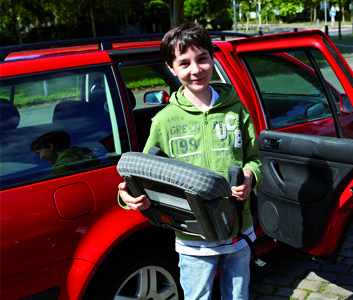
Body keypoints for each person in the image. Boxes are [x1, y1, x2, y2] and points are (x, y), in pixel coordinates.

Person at [118, 22, 263, 300]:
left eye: (202, 59)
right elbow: (143, 174)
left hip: (238, 230)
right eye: (184, 63)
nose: (195, 70)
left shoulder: (236, 111)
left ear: (213, 57)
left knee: (238, 295)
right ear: (171, 68)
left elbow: (254, 160)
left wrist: (250, 176)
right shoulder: (164, 121)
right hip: (192, 238)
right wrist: (128, 195)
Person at [30, 130, 99, 175]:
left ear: (50, 146)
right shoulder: (86, 154)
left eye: (39, 153)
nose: (41, 158)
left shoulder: (60, 168)